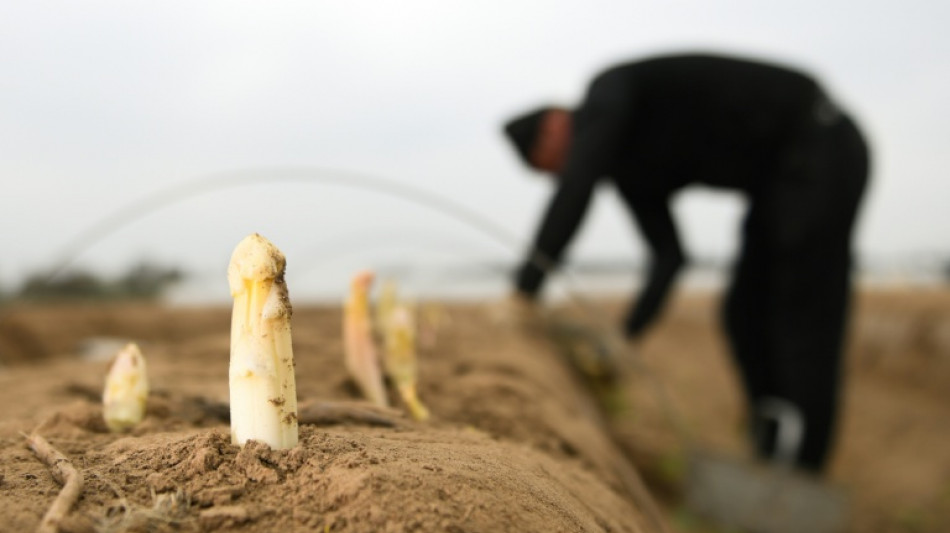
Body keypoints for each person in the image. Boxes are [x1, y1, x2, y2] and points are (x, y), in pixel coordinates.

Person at [502, 52, 869, 473]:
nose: (561, 176)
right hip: (775, 184)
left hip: (822, 141)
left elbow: (576, 188)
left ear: (555, 125)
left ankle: (805, 477)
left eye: (555, 167)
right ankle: (769, 457)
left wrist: (523, 292)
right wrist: (623, 340)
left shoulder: (608, 91)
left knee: (800, 321)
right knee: (743, 314)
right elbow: (668, 259)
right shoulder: (631, 172)